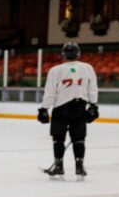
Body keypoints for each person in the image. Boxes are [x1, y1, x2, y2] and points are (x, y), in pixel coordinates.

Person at [37, 42, 98, 178]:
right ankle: (79, 167)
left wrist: (44, 108)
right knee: (79, 139)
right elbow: (92, 89)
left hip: (61, 108)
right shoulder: (87, 68)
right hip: (80, 107)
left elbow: (50, 92)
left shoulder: (55, 70)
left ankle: (59, 166)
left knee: (58, 138)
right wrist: (93, 105)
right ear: (78, 53)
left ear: (63, 54)